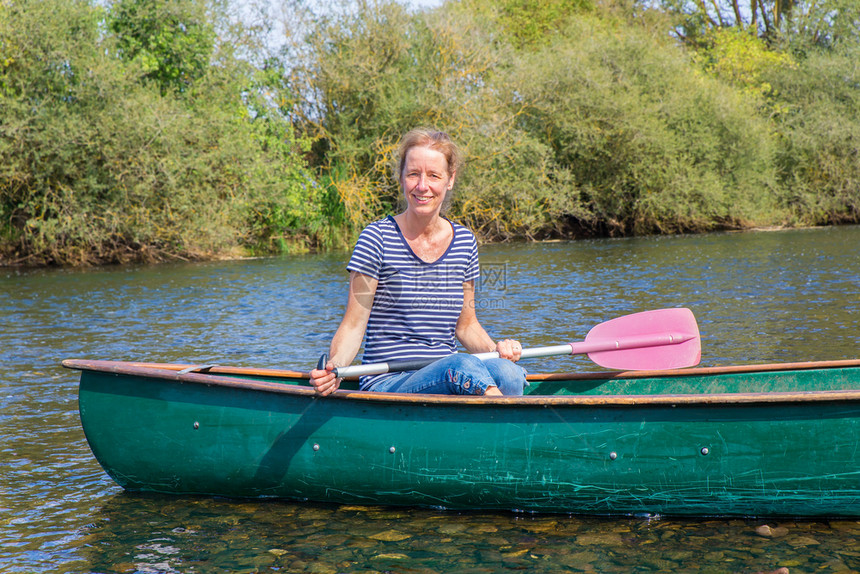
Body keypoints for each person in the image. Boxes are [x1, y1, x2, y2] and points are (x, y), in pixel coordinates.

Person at [309, 128, 527, 397]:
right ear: (402, 177)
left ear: (450, 180)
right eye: (414, 174)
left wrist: (498, 351)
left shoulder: (465, 242)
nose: (422, 186)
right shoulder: (376, 238)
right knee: (460, 367)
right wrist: (335, 368)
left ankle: (496, 432)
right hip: (389, 381)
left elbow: (466, 326)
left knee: (509, 373)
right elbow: (353, 325)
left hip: (452, 371)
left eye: (434, 175)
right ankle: (510, 432)